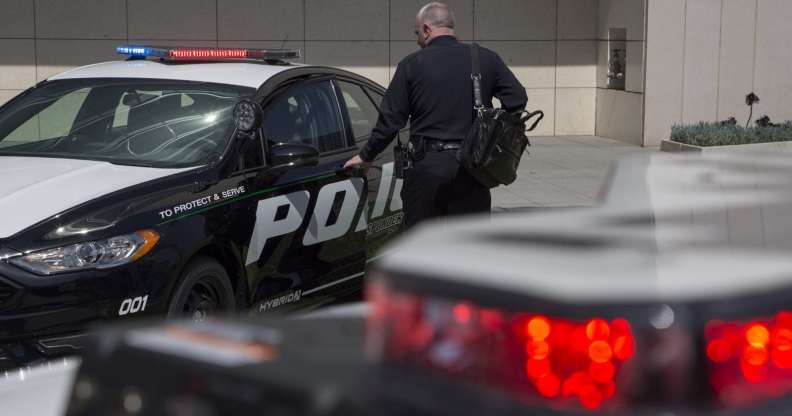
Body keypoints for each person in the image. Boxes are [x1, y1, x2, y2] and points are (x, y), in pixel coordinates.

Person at [343, 2, 527, 228]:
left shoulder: (411, 64)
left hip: (426, 168)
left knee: (421, 241)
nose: (417, 40)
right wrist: (491, 133)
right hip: (473, 169)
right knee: (470, 242)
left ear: (427, 29)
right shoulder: (486, 59)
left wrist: (366, 156)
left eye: (417, 33)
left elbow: (390, 120)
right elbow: (517, 99)